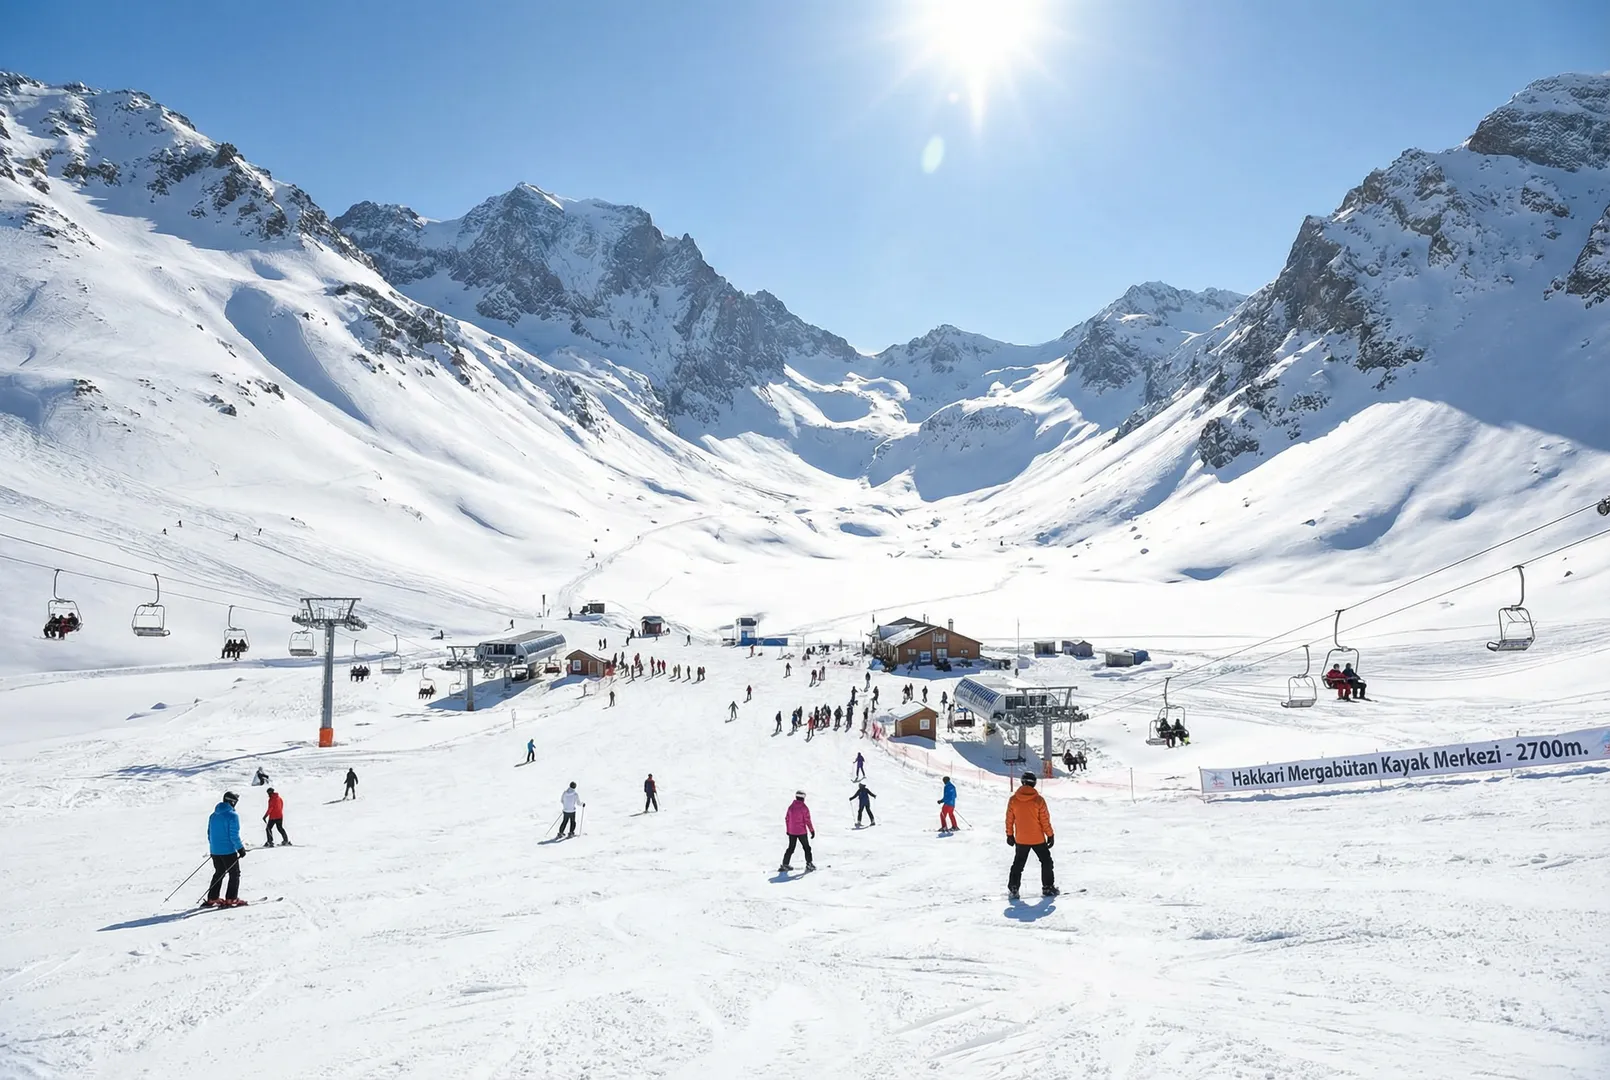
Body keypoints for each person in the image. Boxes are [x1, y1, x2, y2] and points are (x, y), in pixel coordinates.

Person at [1005, 773, 1058, 900]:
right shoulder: (1038, 800)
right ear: (1034, 783)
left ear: (1022, 782)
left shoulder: (1013, 800)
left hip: (1021, 839)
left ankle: (1014, 888)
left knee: (1018, 864)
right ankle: (1048, 887)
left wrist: (1009, 834)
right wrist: (1050, 835)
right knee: (1046, 861)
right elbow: (1044, 820)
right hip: (1037, 838)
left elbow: (1009, 819)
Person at [205, 791, 247, 908]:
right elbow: (233, 835)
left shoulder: (213, 815)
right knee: (234, 874)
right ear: (232, 802)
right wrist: (240, 848)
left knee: (219, 872)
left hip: (215, 851)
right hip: (228, 851)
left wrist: (215, 847)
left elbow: (209, 833)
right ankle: (231, 898)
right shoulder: (232, 816)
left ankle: (212, 898)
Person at [779, 791, 816, 872]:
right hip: (801, 832)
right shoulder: (804, 807)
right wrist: (812, 830)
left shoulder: (791, 807)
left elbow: (787, 819)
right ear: (803, 798)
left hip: (792, 832)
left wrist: (788, 830)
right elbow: (807, 820)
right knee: (806, 848)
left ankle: (785, 864)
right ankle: (809, 864)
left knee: (791, 848)